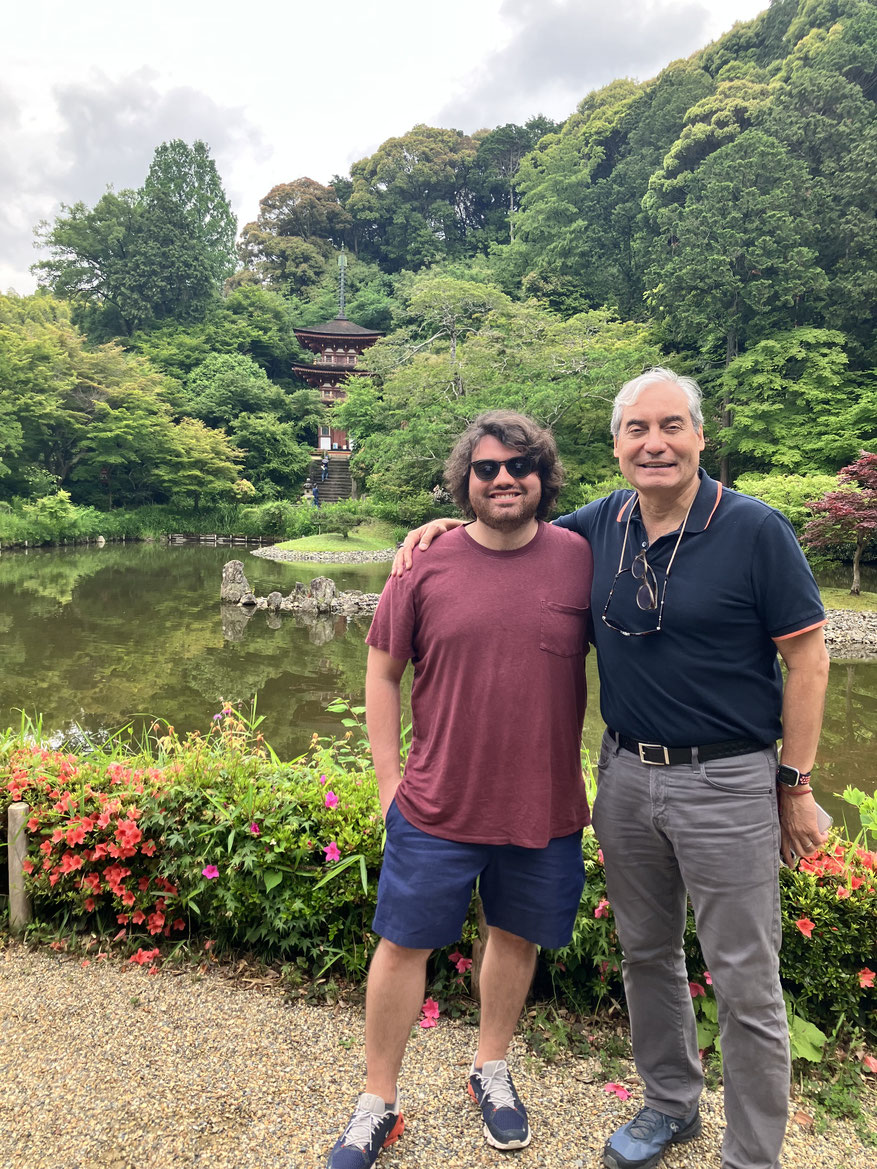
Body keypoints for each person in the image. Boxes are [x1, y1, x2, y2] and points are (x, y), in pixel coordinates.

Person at [395, 369, 830, 1169]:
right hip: (626, 773)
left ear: (699, 436)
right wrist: (436, 527)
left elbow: (807, 661)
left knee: (744, 977)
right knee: (646, 951)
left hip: (729, 777)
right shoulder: (598, 526)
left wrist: (793, 785)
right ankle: (670, 1103)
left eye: (670, 426)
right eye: (636, 428)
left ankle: (752, 1154)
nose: (654, 442)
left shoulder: (754, 529)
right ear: (617, 443)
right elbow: (506, 520)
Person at [327, 410, 594, 1168]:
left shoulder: (579, 555)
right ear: (464, 481)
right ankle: (377, 1101)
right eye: (485, 469)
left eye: (518, 466)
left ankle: (491, 1066)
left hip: (542, 802)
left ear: (542, 477)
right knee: (401, 943)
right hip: (436, 799)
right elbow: (381, 672)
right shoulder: (424, 562)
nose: (502, 478)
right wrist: (387, 784)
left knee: (514, 934)